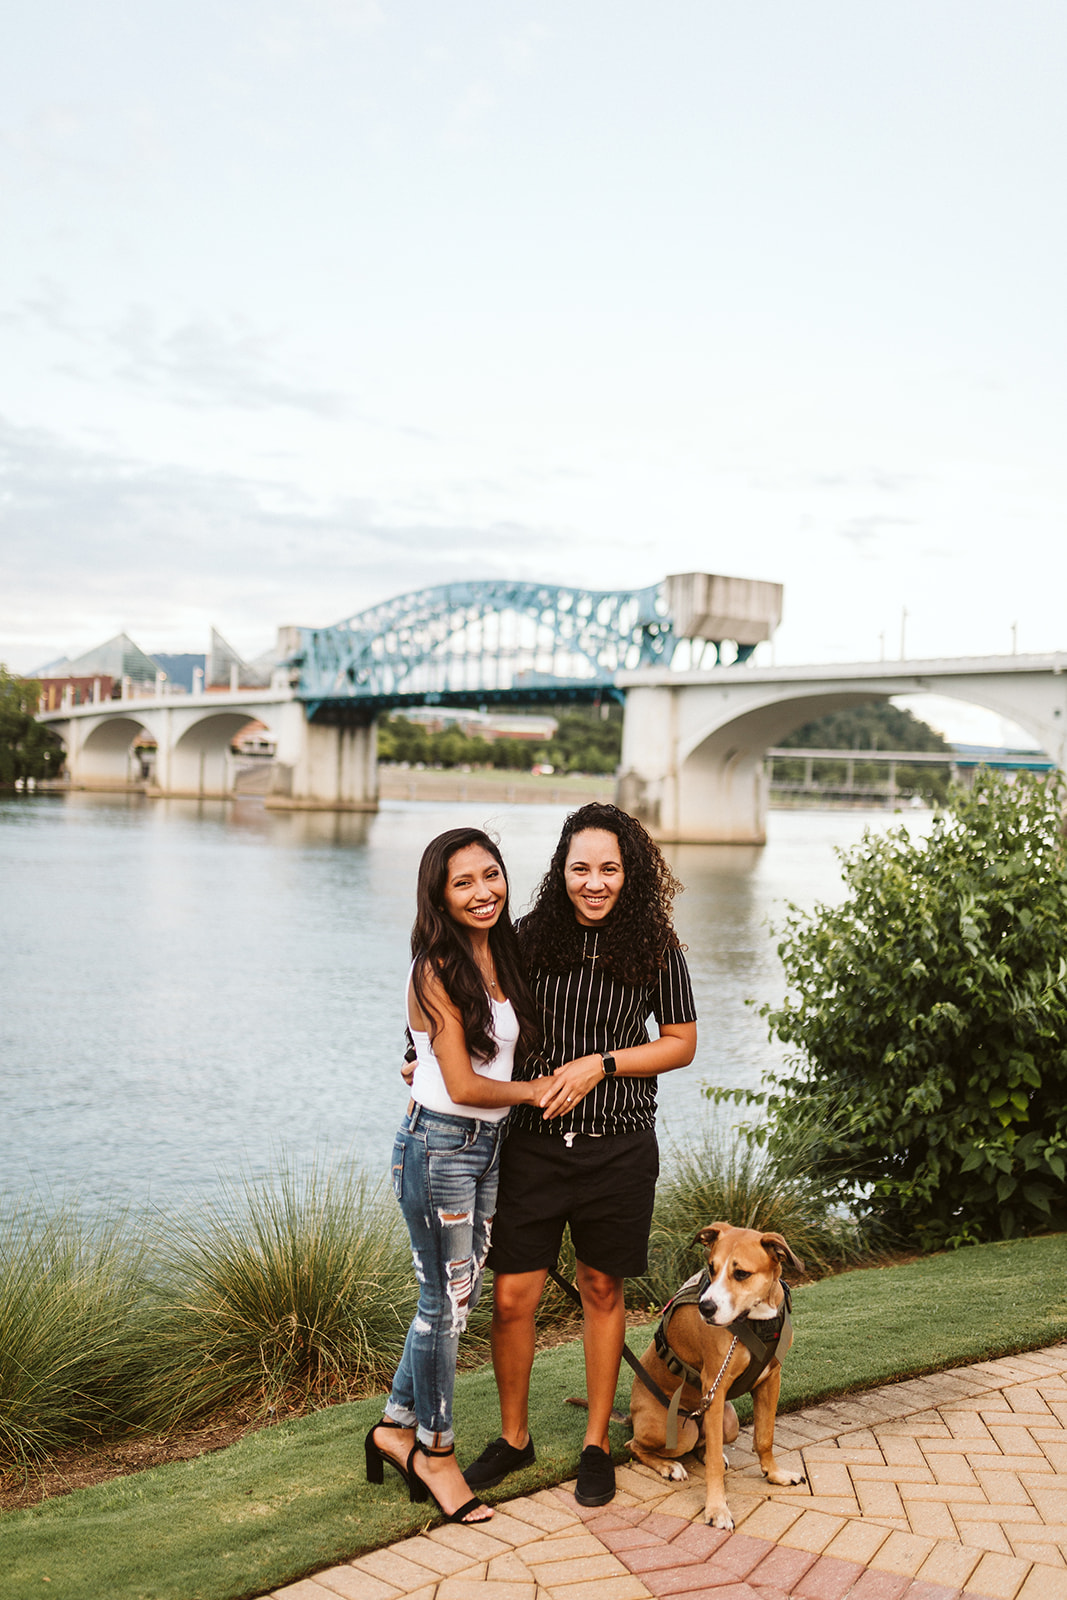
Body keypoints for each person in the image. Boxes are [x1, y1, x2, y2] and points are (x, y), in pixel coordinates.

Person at [463, 802, 697, 1509]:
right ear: (560, 871)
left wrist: (602, 1063)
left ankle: (596, 1443)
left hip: (619, 1148)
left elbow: (680, 1042)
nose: (593, 883)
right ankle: (514, 1438)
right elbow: (473, 1013)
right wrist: (423, 1059)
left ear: (630, 873)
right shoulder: (526, 938)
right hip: (532, 1148)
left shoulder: (656, 945)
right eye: (579, 869)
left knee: (601, 1289)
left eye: (608, 869)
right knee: (512, 1298)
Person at [366, 827, 552, 1524]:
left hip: (485, 1149)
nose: (483, 892)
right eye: (463, 882)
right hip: (439, 1147)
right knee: (442, 1306)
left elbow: (437, 1056)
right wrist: (538, 1092)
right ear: (439, 896)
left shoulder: (503, 952)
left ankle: (392, 1425)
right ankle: (433, 1452)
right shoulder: (435, 966)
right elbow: (467, 1086)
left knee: (454, 1302)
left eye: (491, 875)